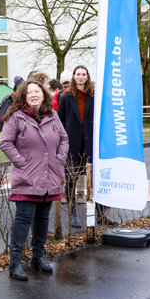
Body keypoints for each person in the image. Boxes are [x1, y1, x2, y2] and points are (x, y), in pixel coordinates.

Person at [0, 80, 68, 281]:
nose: (34, 95)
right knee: (24, 218)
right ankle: (16, 262)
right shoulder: (16, 117)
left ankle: (38, 257)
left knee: (42, 218)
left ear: (44, 94)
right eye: (29, 92)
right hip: (27, 178)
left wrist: (59, 158)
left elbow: (64, 139)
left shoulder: (53, 116)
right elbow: (5, 142)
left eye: (37, 91)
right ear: (24, 96)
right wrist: (22, 162)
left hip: (50, 176)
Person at [57, 65, 94, 227]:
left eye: (83, 74)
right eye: (78, 74)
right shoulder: (66, 97)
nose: (80, 77)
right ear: (73, 76)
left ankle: (99, 212)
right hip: (72, 143)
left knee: (94, 177)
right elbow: (59, 120)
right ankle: (73, 214)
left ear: (87, 76)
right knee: (71, 177)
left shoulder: (94, 95)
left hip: (90, 142)